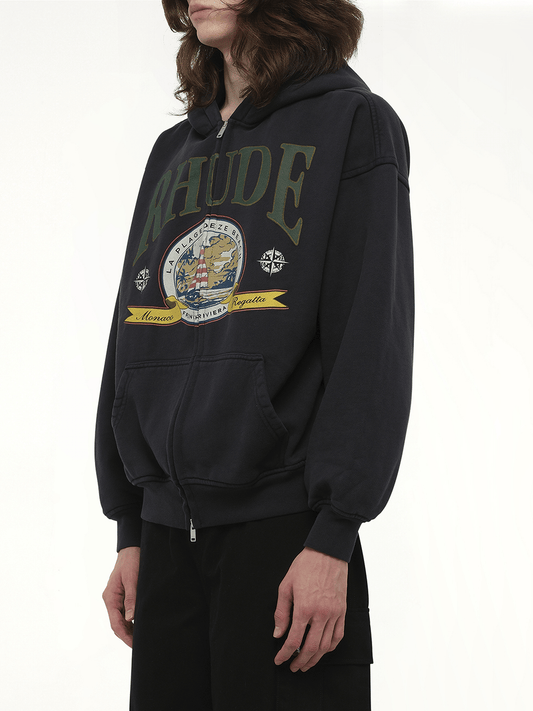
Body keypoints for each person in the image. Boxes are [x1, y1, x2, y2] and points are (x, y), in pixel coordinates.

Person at [96, 1, 414, 709]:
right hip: (164, 535)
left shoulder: (353, 124)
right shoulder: (172, 150)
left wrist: (332, 536)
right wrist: (131, 526)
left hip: (285, 532)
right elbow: (132, 330)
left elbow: (372, 338)